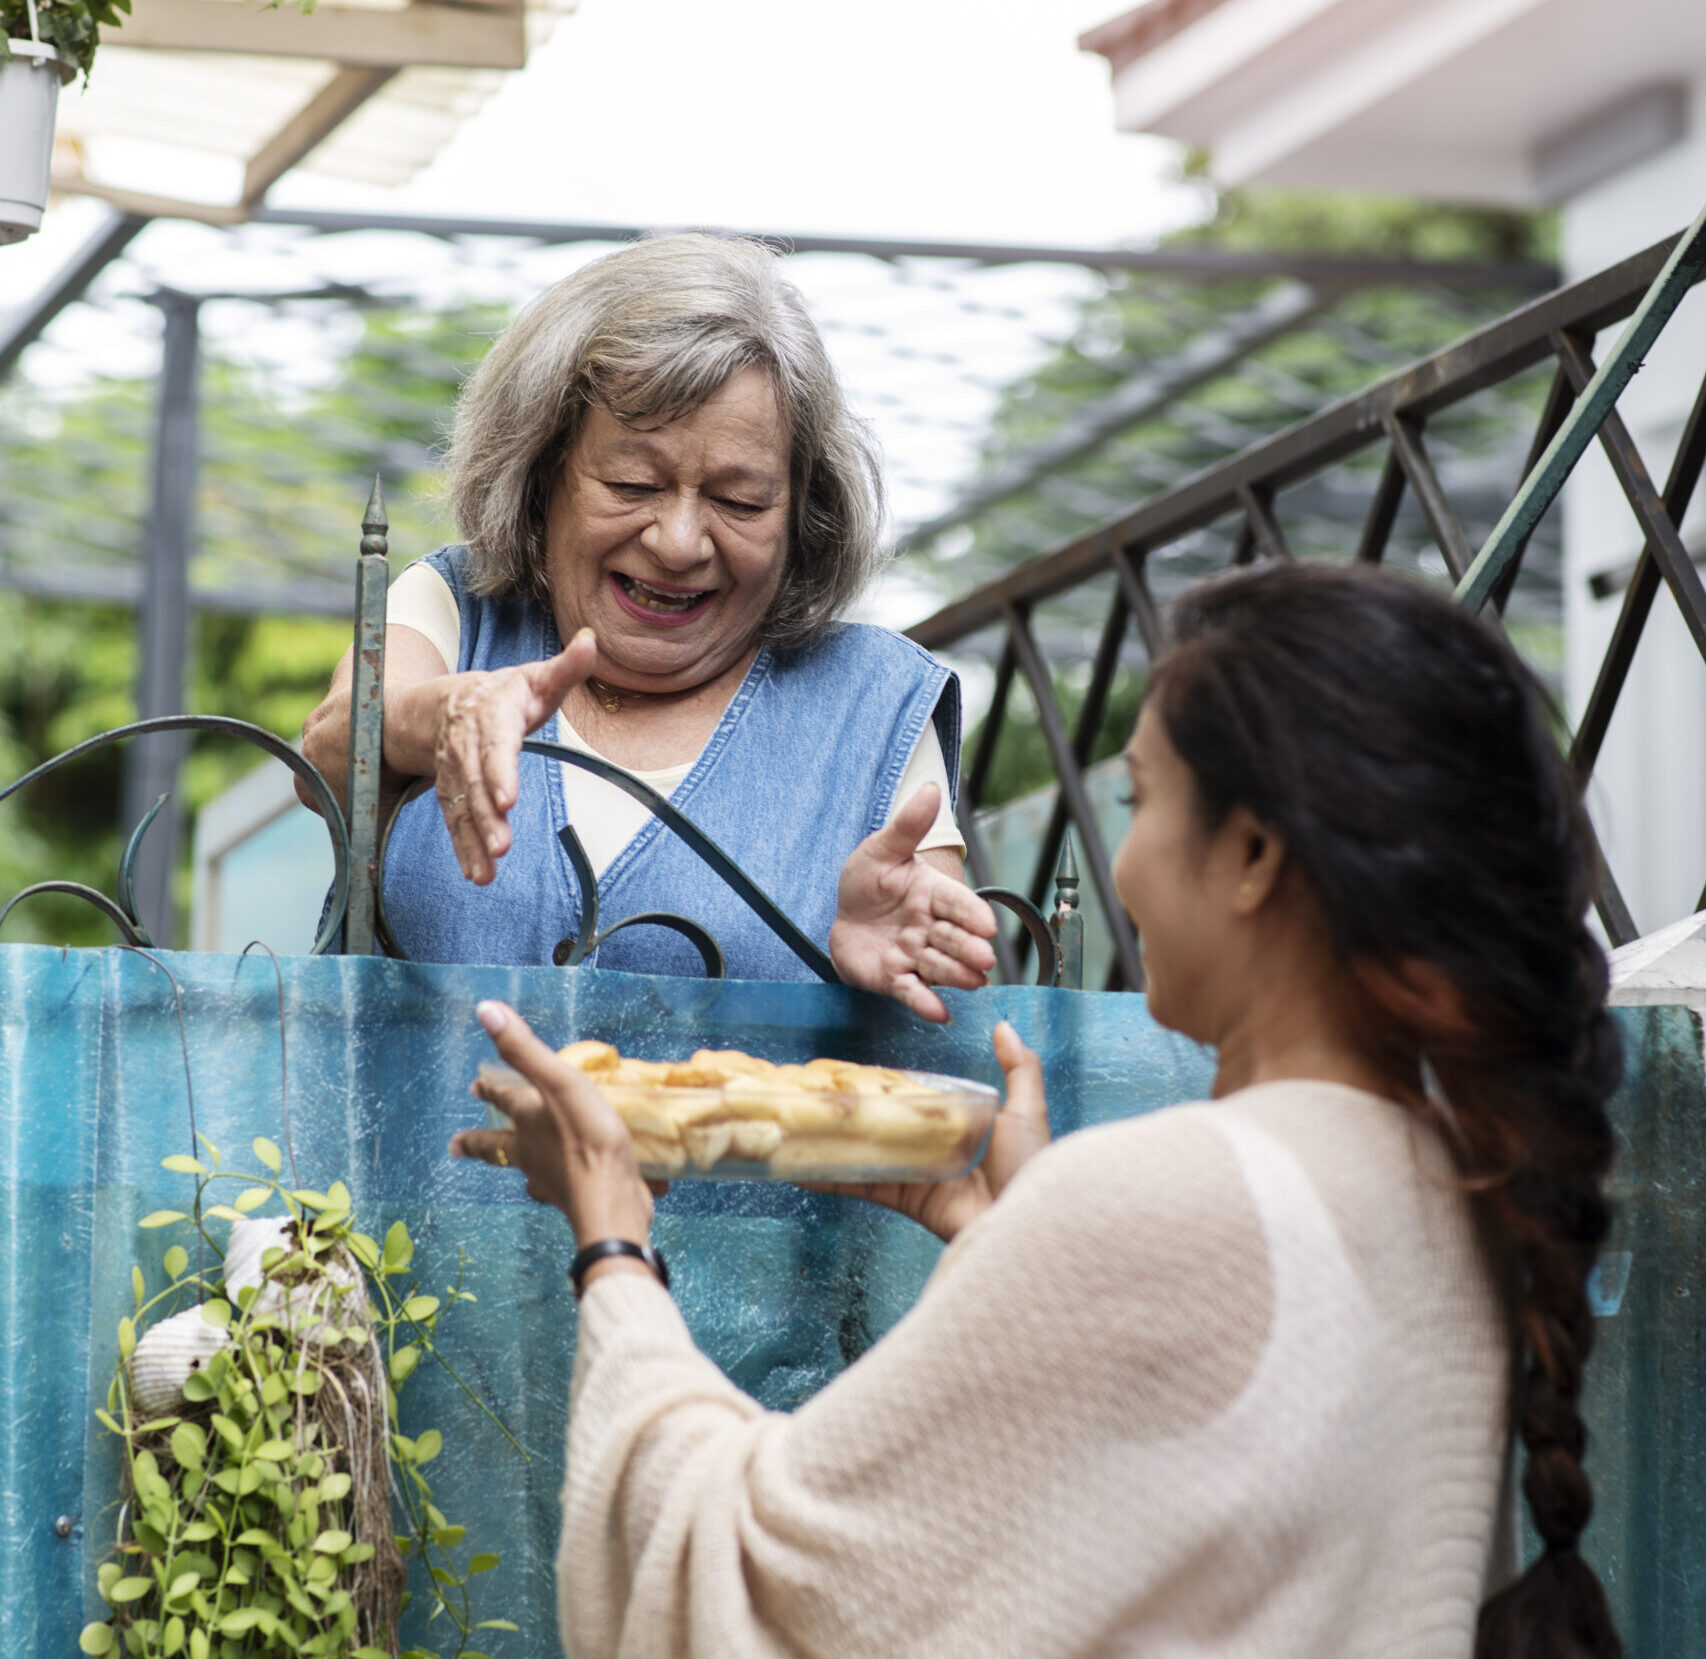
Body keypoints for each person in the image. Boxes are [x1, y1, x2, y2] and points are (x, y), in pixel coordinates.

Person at [453, 561, 1623, 1659]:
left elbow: (756, 1578)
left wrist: (611, 1239)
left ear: (1254, 851)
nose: (1118, 865)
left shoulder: (1163, 1199)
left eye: (1142, 799)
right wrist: (1008, 1238)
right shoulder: (1444, 1181)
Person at [299, 234, 995, 1020]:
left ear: (802, 512)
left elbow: (947, 1022)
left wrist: (892, 976)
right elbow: (327, 751)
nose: (679, 541)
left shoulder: (876, 705)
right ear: (543, 473)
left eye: (739, 502)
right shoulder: (458, 606)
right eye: (634, 483)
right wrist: (435, 718)